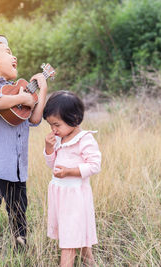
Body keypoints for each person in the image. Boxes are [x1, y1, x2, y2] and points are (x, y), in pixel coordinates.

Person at [0, 35, 48, 263]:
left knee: (19, 212)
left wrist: (39, 92)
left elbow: (34, 118)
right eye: (7, 52)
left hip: (16, 167)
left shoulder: (16, 91)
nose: (14, 56)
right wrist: (22, 96)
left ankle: (21, 252)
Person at [43, 91, 101, 267]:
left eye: (56, 124)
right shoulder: (60, 138)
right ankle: (89, 263)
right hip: (60, 197)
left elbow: (94, 165)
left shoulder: (85, 139)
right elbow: (52, 166)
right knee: (76, 235)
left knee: (69, 242)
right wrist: (48, 149)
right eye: (50, 125)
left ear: (74, 119)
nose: (53, 130)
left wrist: (70, 171)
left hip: (75, 198)